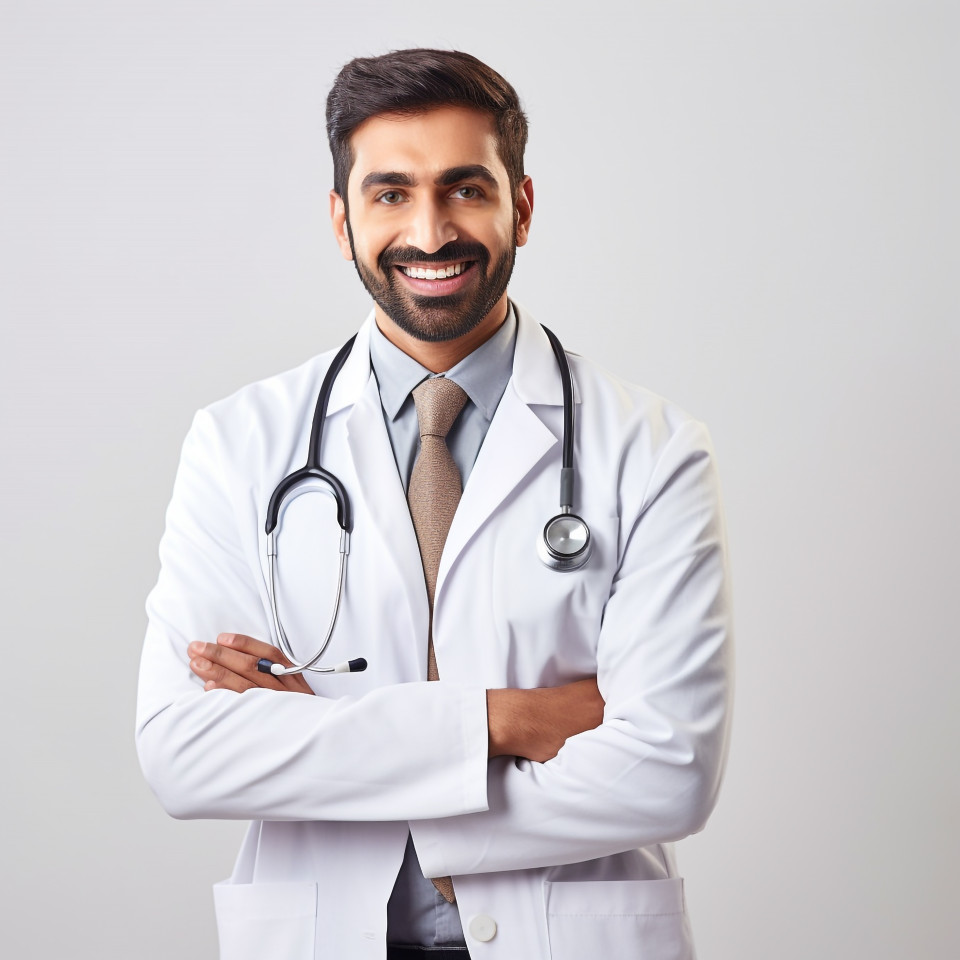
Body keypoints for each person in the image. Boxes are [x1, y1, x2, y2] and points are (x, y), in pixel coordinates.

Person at [136, 48, 733, 960]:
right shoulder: (239, 443)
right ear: (341, 221)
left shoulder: (650, 449)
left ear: (519, 207)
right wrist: (505, 721)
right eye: (389, 194)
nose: (429, 232)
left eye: (464, 189)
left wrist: (329, 735)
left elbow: (668, 774)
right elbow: (187, 752)